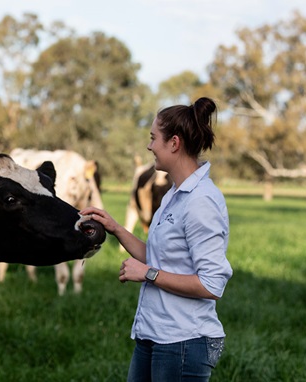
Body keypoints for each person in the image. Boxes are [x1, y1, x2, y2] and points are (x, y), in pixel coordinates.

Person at [81, 97, 232, 381]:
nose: (149, 146)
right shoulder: (174, 195)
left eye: (153, 138)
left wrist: (148, 274)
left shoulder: (201, 201)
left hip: (184, 341)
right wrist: (115, 227)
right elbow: (157, 255)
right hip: (154, 335)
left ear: (174, 143)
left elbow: (212, 284)